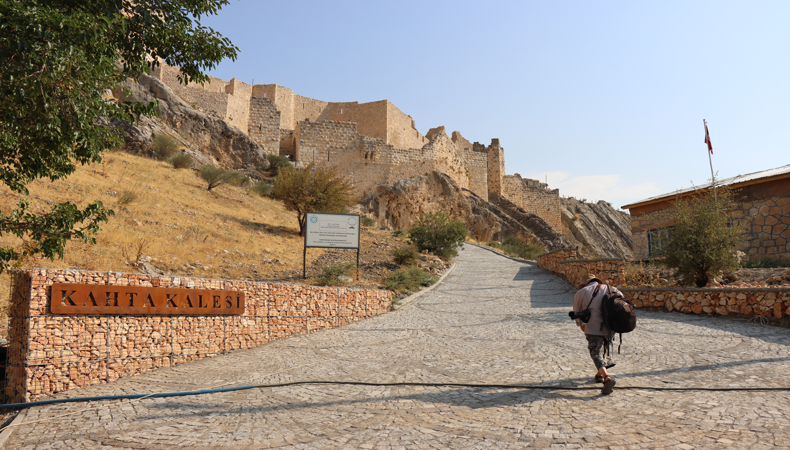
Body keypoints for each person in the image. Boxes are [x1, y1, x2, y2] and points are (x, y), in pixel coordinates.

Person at [572, 273, 623, 395]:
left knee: (595, 352)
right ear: (597, 281)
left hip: (593, 327)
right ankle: (599, 375)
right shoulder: (612, 289)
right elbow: (622, 301)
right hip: (611, 327)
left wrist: (581, 325)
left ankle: (607, 378)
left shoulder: (581, 292)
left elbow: (576, 311)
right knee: (604, 349)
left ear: (585, 283)